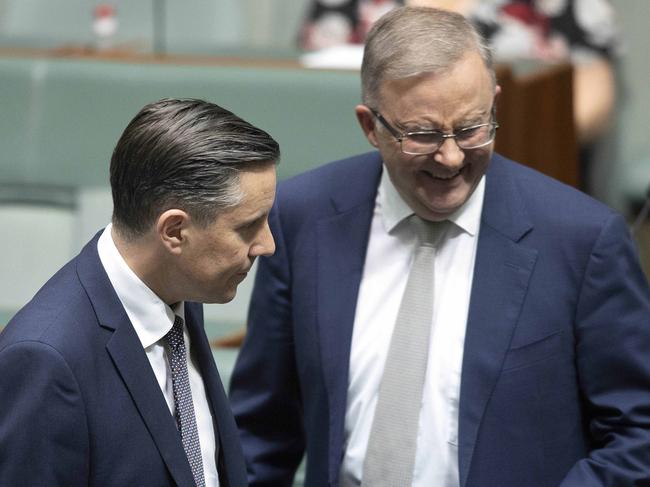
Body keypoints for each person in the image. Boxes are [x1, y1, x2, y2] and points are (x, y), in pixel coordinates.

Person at [230, 6, 650, 487]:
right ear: (371, 127)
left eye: (472, 127)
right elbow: (262, 431)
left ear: (494, 104)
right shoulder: (304, 217)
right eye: (423, 135)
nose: (450, 157)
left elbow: (638, 432)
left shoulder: (582, 240)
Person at [0, 98, 279, 486]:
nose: (267, 245)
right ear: (174, 232)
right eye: (248, 227)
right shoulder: (45, 360)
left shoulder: (180, 292)